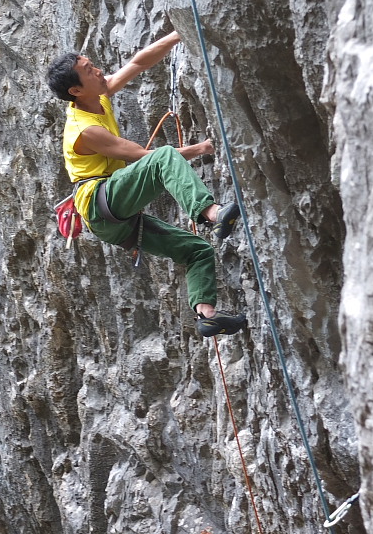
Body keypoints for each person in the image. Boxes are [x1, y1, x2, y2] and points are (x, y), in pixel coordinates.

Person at [46, 31, 247, 337]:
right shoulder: (84, 130)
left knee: (196, 250)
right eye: (89, 71)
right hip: (99, 200)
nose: (98, 71)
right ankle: (211, 213)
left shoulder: (96, 96)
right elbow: (145, 157)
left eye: (92, 65)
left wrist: (179, 33)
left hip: (112, 216)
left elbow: (138, 63)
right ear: (75, 89)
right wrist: (202, 148)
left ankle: (207, 314)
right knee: (163, 157)